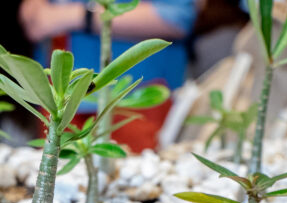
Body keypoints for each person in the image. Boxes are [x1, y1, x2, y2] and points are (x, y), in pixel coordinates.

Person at [18, 0, 202, 149]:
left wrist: (81, 15)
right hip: (59, 96)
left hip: (134, 96)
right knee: (58, 175)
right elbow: (35, 17)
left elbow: (178, 16)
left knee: (133, 175)